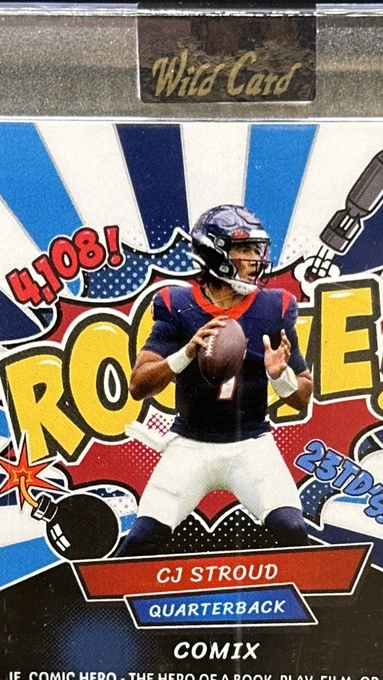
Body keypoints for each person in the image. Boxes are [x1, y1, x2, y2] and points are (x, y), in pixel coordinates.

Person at [117, 205, 313, 556]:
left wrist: (279, 376)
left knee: (292, 528)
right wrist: (186, 353)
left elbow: (302, 397)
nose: (256, 259)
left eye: (257, 249)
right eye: (244, 249)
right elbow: (138, 386)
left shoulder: (274, 307)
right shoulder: (178, 304)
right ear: (214, 254)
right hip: (190, 445)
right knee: (140, 542)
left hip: (250, 443)